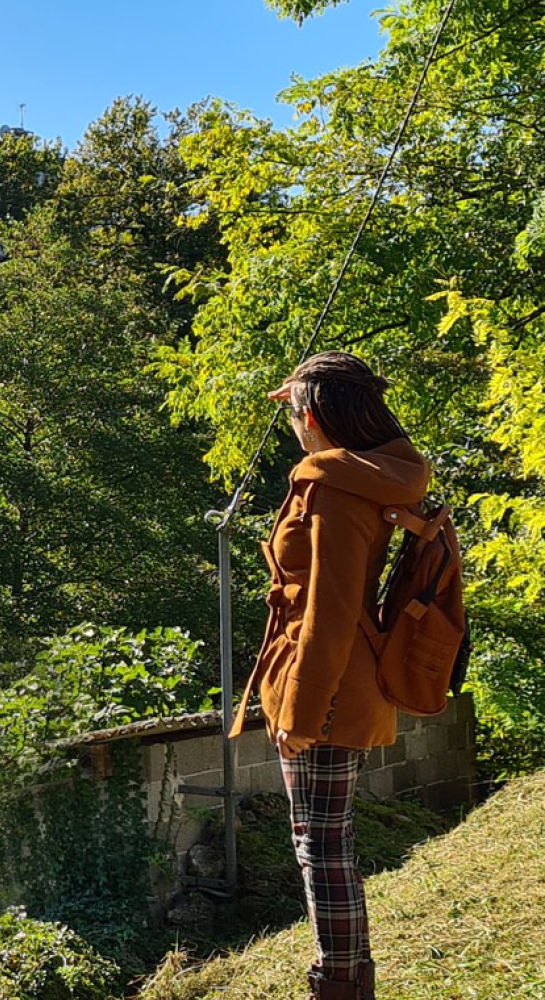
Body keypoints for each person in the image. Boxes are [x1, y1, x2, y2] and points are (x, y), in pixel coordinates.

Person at [229, 351, 428, 1000]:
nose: (288, 420)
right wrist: (310, 392)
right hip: (344, 682)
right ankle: (344, 980)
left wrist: (303, 713)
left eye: (293, 411)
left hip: (327, 688)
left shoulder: (331, 486)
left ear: (311, 416)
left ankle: (339, 985)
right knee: (326, 838)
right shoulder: (378, 472)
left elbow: (330, 610)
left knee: (320, 845)